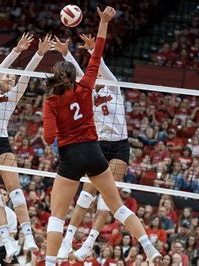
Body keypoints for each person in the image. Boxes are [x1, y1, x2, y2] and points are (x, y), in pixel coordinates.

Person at [42, 7, 161, 266]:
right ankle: (150, 249)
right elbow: (96, 56)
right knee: (114, 204)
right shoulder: (86, 88)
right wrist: (103, 23)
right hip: (95, 150)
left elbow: (48, 137)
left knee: (56, 217)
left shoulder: (55, 99)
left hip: (83, 152)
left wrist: (52, 125)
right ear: (75, 78)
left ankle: (52, 261)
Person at [0, 32, 52, 256]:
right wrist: (17, 50)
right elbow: (1, 69)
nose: (9, 78)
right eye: (7, 77)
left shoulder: (15, 94)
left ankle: (27, 235)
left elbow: (25, 75)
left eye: (12, 78)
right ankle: (7, 240)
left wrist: (38, 54)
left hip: (0, 142)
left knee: (15, 190)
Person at [54, 33, 130, 260]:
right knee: (86, 195)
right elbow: (77, 72)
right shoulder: (85, 92)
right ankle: (67, 240)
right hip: (97, 146)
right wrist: (64, 52)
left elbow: (101, 65)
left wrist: (91, 50)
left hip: (119, 147)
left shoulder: (113, 87)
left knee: (108, 197)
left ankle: (89, 243)